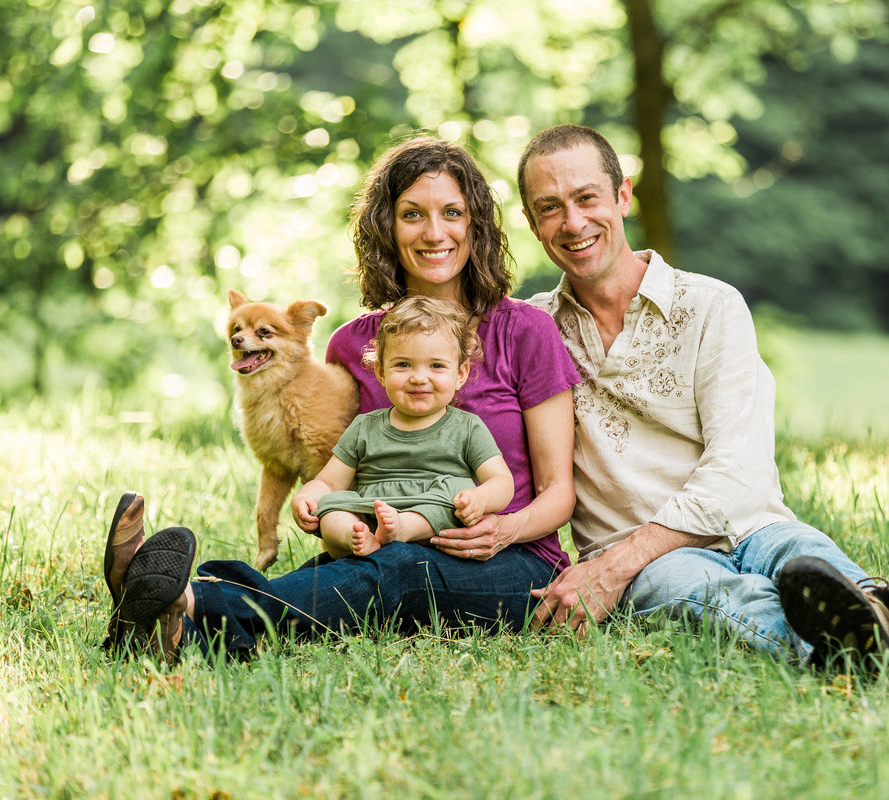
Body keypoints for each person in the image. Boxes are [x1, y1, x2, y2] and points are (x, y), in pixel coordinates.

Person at [518, 124, 889, 678]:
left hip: (751, 524)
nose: (572, 222)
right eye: (549, 208)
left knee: (806, 556)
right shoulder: (533, 332)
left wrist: (614, 566)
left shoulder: (712, 305)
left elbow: (739, 471)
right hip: (654, 561)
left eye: (586, 197)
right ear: (531, 223)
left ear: (623, 195)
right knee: (714, 594)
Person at [102, 137, 581, 661]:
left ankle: (185, 599)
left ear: (476, 225)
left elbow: (559, 493)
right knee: (336, 576)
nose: (434, 232)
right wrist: (318, 504)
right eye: (412, 214)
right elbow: (343, 464)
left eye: (452, 213)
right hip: (384, 541)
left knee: (397, 572)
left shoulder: (525, 330)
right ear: (386, 227)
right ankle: (175, 628)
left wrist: (501, 529)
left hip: (513, 562)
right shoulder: (352, 345)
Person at [292, 295, 514, 558]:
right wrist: (308, 495)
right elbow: (330, 482)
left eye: (436, 366)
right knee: (331, 506)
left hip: (433, 510)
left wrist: (480, 499)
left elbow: (501, 481)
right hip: (372, 511)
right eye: (403, 365)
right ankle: (356, 535)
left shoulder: (466, 427)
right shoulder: (365, 427)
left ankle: (403, 528)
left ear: (460, 374)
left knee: (454, 495)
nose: (419, 378)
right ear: (381, 372)